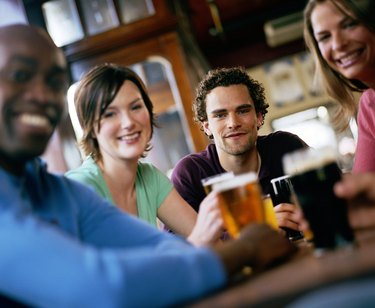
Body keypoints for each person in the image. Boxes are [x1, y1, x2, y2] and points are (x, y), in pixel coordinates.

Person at [0, 24, 296, 307]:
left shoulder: (57, 190)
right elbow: (105, 288)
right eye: (19, 74)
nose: (41, 95)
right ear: (89, 124)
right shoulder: (77, 183)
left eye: (53, 81)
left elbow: (165, 250)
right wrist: (245, 248)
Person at [66, 63, 223, 246]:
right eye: (109, 114)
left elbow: (213, 246)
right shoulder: (78, 189)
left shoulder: (149, 177)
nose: (128, 122)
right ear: (90, 128)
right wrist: (197, 243)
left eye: (135, 107)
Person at [171, 67, 308, 235]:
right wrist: (262, 226)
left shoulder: (286, 147)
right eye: (220, 115)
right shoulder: (190, 173)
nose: (233, 123)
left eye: (242, 111)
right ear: (207, 126)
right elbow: (179, 248)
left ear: (259, 117)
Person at [303, 0, 375, 172]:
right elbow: (364, 187)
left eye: (349, 25)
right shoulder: (369, 104)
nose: (338, 44)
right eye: (325, 37)